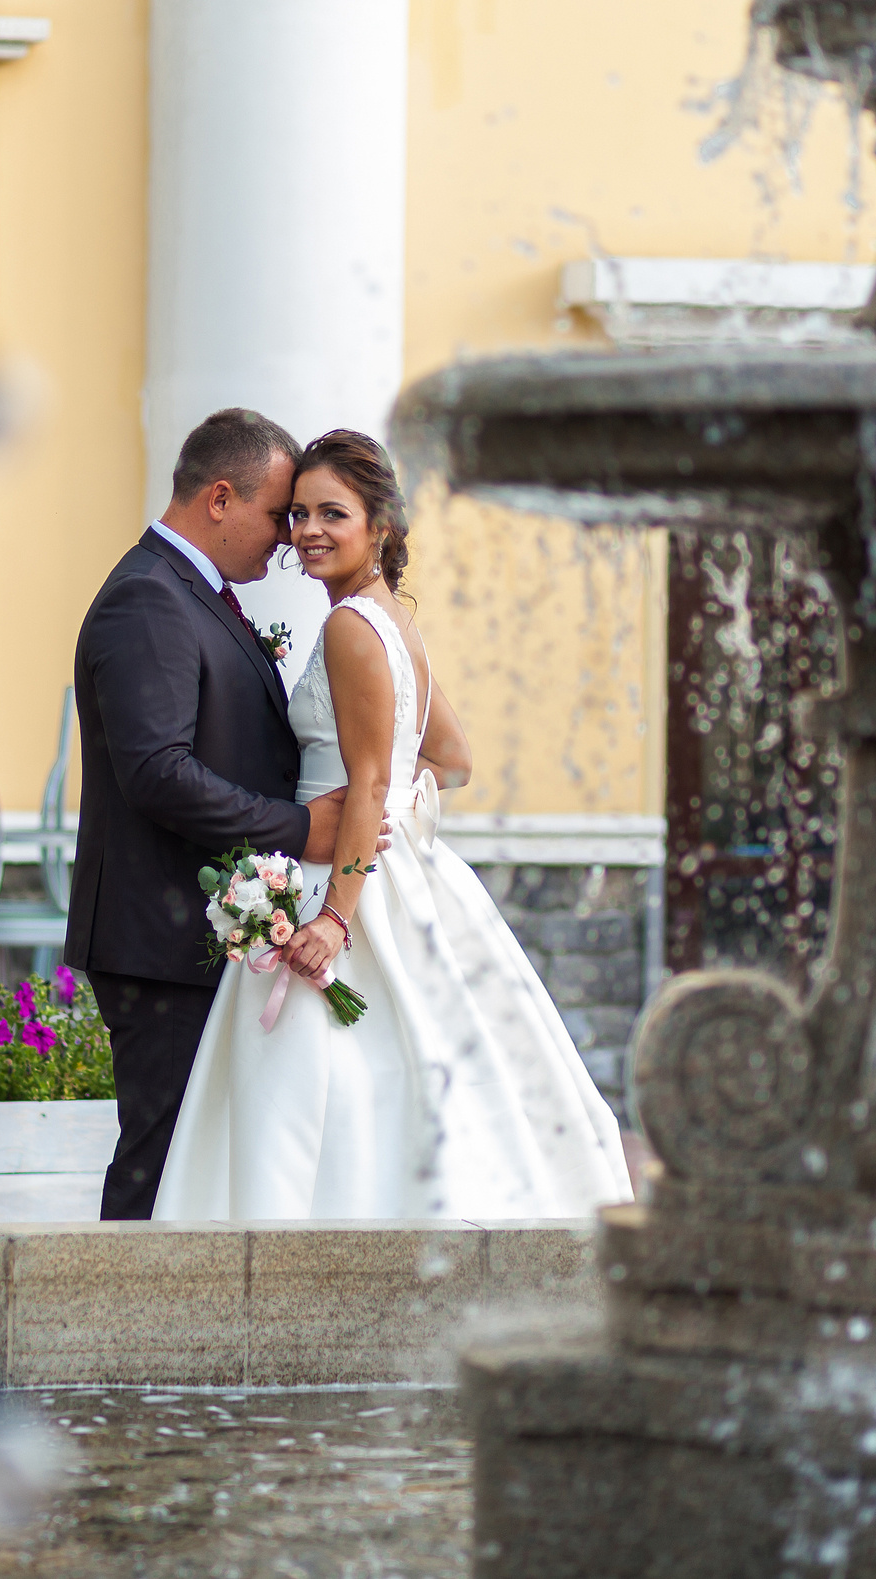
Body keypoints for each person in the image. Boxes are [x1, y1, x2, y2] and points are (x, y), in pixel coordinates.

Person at [152, 430, 634, 1221]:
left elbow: (373, 776)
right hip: (393, 867)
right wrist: (397, 812)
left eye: (331, 513)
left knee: (308, 1090)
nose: (306, 529)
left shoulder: (349, 627)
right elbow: (451, 756)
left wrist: (336, 916)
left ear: (380, 525)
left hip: (338, 883)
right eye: (298, 512)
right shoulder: (393, 620)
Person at [65, 408, 373, 1220]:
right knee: (161, 1155)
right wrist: (297, 828)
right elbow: (159, 772)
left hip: (198, 924)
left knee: (200, 1157)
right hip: (159, 937)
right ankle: (120, 1332)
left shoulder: (193, 593)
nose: (286, 537)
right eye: (278, 513)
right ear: (221, 498)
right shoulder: (147, 599)